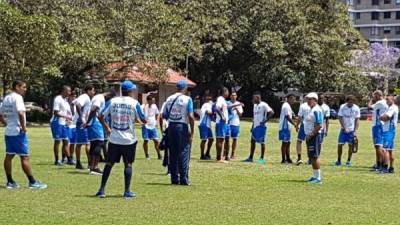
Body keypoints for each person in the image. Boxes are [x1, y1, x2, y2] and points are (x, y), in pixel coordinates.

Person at [96, 81, 146, 199]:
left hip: (114, 138)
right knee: (128, 164)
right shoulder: (135, 103)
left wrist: (107, 127)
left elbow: (100, 115)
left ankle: (102, 190)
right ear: (131, 91)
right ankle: (127, 191)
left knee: (109, 164)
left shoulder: (112, 101)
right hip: (129, 139)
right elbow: (143, 119)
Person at [0, 80, 47, 189]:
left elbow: (0, 114)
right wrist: (24, 128)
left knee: (9, 156)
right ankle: (32, 182)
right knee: (24, 157)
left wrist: (6, 123)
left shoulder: (6, 98)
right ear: (17, 87)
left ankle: (10, 181)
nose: (25, 89)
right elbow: (21, 113)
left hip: (9, 131)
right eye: (24, 87)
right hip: (18, 131)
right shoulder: (18, 97)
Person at [161, 80, 195, 185]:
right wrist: (192, 132)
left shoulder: (169, 99)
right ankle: (184, 178)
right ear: (184, 88)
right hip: (182, 126)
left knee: (173, 153)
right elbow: (190, 116)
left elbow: (164, 115)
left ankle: (174, 178)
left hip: (171, 126)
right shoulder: (187, 99)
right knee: (184, 151)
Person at [86, 91, 116, 175]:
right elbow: (94, 109)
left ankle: (91, 167)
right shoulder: (100, 98)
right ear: (109, 95)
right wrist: (88, 121)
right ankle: (94, 167)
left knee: (94, 144)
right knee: (99, 144)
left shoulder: (98, 97)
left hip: (93, 123)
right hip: (95, 123)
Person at [243, 92, 274, 164]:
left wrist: (265, 121)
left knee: (262, 142)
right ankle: (250, 157)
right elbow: (255, 117)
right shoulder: (255, 105)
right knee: (252, 141)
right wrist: (252, 126)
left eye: (254, 98)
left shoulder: (264, 105)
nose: (252, 100)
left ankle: (261, 158)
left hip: (261, 127)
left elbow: (272, 112)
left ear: (258, 98)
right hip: (255, 126)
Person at [74, 85, 96, 170]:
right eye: (93, 90)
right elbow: (77, 105)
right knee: (88, 143)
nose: (94, 93)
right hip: (82, 123)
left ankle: (78, 163)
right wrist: (82, 118)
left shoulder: (86, 98)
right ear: (89, 90)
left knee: (79, 143)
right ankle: (90, 163)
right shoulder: (85, 97)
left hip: (81, 123)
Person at [303, 92, 323, 184]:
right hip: (310, 136)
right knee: (311, 156)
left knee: (315, 156)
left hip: (314, 136)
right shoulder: (311, 109)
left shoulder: (316, 110)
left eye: (310, 99)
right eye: (307, 99)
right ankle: (315, 176)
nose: (308, 101)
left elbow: (319, 125)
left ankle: (318, 178)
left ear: (315, 100)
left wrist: (311, 135)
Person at [335, 95, 360, 167]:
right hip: (343, 130)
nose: (350, 104)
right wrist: (344, 127)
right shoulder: (342, 107)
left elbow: (357, 120)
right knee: (340, 145)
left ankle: (348, 161)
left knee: (351, 145)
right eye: (349, 102)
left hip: (351, 130)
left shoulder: (356, 108)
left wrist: (355, 131)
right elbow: (340, 117)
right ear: (347, 101)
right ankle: (339, 160)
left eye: (352, 102)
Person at [50, 85, 72, 166]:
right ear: (64, 91)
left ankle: (68, 159)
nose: (69, 93)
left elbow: (67, 111)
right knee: (57, 141)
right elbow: (56, 112)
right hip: (57, 122)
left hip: (64, 123)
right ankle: (56, 160)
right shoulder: (58, 99)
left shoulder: (65, 100)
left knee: (66, 141)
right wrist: (65, 117)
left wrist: (68, 119)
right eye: (68, 91)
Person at [368, 90, 388, 171]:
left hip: (378, 126)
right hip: (381, 126)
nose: (374, 98)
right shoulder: (383, 103)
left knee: (378, 146)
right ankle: (379, 163)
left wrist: (370, 100)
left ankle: (380, 165)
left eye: (374, 96)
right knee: (379, 146)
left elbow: (369, 107)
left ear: (378, 96)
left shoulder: (380, 103)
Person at [380, 94, 398, 173]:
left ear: (392, 100)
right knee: (390, 150)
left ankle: (385, 167)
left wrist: (381, 117)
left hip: (389, 130)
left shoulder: (393, 108)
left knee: (385, 149)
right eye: (386, 99)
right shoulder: (390, 108)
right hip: (389, 130)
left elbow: (386, 118)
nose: (386, 101)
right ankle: (391, 168)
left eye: (388, 99)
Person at [142, 95, 162, 160]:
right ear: (148, 100)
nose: (153, 102)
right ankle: (147, 155)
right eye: (152, 100)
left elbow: (158, 114)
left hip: (153, 126)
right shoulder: (143, 106)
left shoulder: (154, 106)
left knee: (156, 140)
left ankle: (159, 155)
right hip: (145, 126)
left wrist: (157, 121)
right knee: (146, 141)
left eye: (153, 100)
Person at [279, 94, 296, 164]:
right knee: (284, 143)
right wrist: (295, 124)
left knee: (288, 143)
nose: (294, 101)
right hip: (284, 127)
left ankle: (288, 158)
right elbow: (287, 117)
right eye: (292, 99)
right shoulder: (285, 106)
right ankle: (283, 159)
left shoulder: (288, 106)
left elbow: (292, 116)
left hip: (288, 127)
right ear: (288, 99)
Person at [215, 87, 230, 163]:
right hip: (221, 122)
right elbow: (217, 108)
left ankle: (221, 157)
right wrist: (222, 117)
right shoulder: (220, 99)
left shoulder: (223, 100)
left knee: (222, 139)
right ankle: (218, 158)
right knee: (220, 140)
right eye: (227, 91)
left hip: (224, 123)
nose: (228, 93)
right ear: (224, 92)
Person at [227, 92, 243, 159]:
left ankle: (233, 154)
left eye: (235, 95)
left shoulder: (238, 104)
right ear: (230, 96)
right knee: (227, 139)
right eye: (232, 95)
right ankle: (226, 154)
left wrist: (236, 109)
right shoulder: (227, 103)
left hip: (236, 124)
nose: (233, 96)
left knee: (235, 139)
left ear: (236, 96)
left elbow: (240, 115)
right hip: (228, 123)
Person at [295, 96, 310, 165]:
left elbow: (300, 116)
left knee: (299, 141)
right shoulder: (314, 105)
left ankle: (299, 158)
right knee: (309, 142)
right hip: (312, 126)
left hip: (304, 125)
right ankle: (310, 159)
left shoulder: (303, 106)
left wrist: (297, 125)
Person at [199, 95, 214, 160]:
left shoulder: (205, 105)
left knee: (211, 139)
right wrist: (215, 112)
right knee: (204, 140)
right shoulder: (207, 105)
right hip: (204, 123)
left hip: (207, 124)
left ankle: (207, 153)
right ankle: (202, 155)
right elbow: (208, 112)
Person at [67, 92, 78, 165]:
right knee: (66, 143)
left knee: (73, 143)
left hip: (74, 125)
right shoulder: (66, 105)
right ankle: (65, 157)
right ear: (69, 97)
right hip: (67, 125)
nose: (74, 98)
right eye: (72, 96)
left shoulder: (76, 106)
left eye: (75, 96)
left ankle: (71, 156)